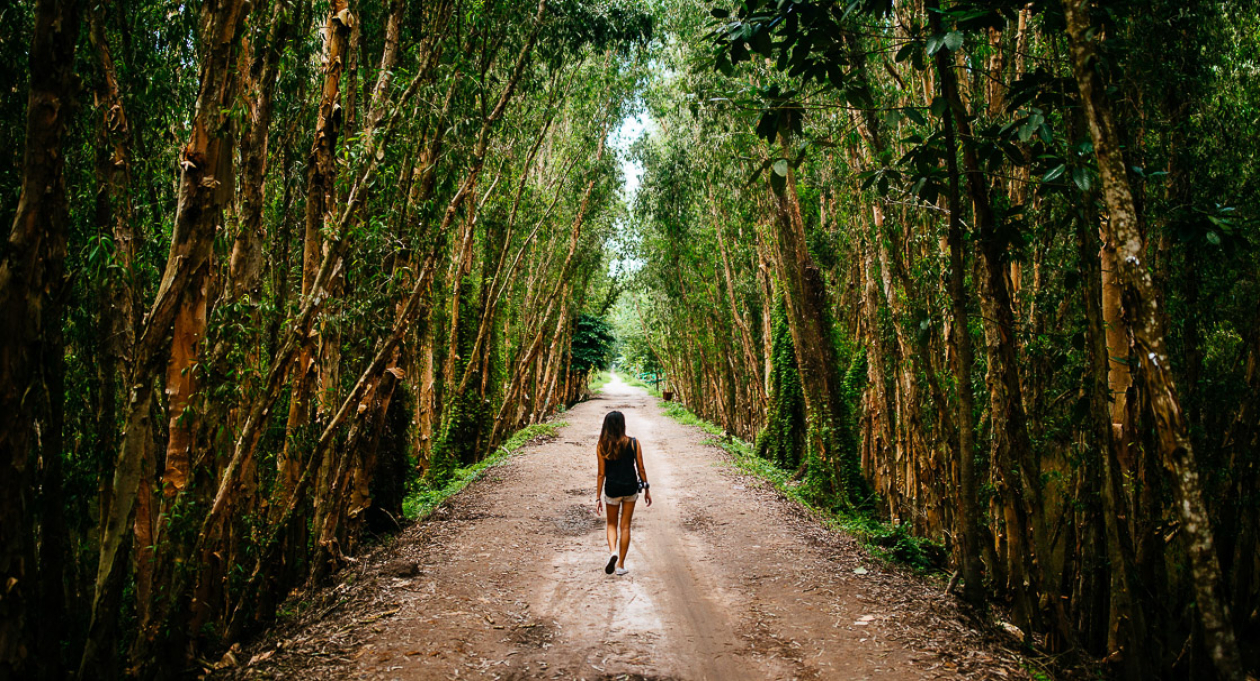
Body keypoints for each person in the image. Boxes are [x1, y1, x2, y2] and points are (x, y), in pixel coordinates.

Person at [595, 410, 652, 575]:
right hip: (630, 488)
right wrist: (647, 489)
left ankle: (613, 551)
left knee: (611, 524)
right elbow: (640, 468)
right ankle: (620, 565)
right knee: (625, 526)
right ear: (622, 425)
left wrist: (598, 497)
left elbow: (601, 474)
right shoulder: (633, 443)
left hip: (612, 489)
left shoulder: (602, 445)